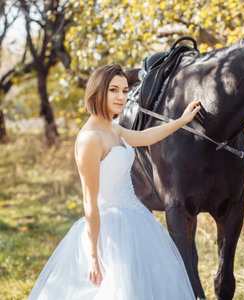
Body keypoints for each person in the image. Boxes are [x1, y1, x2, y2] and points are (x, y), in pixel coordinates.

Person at [28, 64, 200, 299]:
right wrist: (93, 256)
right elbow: (90, 201)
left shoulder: (114, 129)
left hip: (136, 219)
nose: (121, 96)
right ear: (98, 91)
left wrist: (181, 121)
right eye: (113, 90)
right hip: (109, 230)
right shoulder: (90, 139)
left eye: (125, 91)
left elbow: (146, 137)